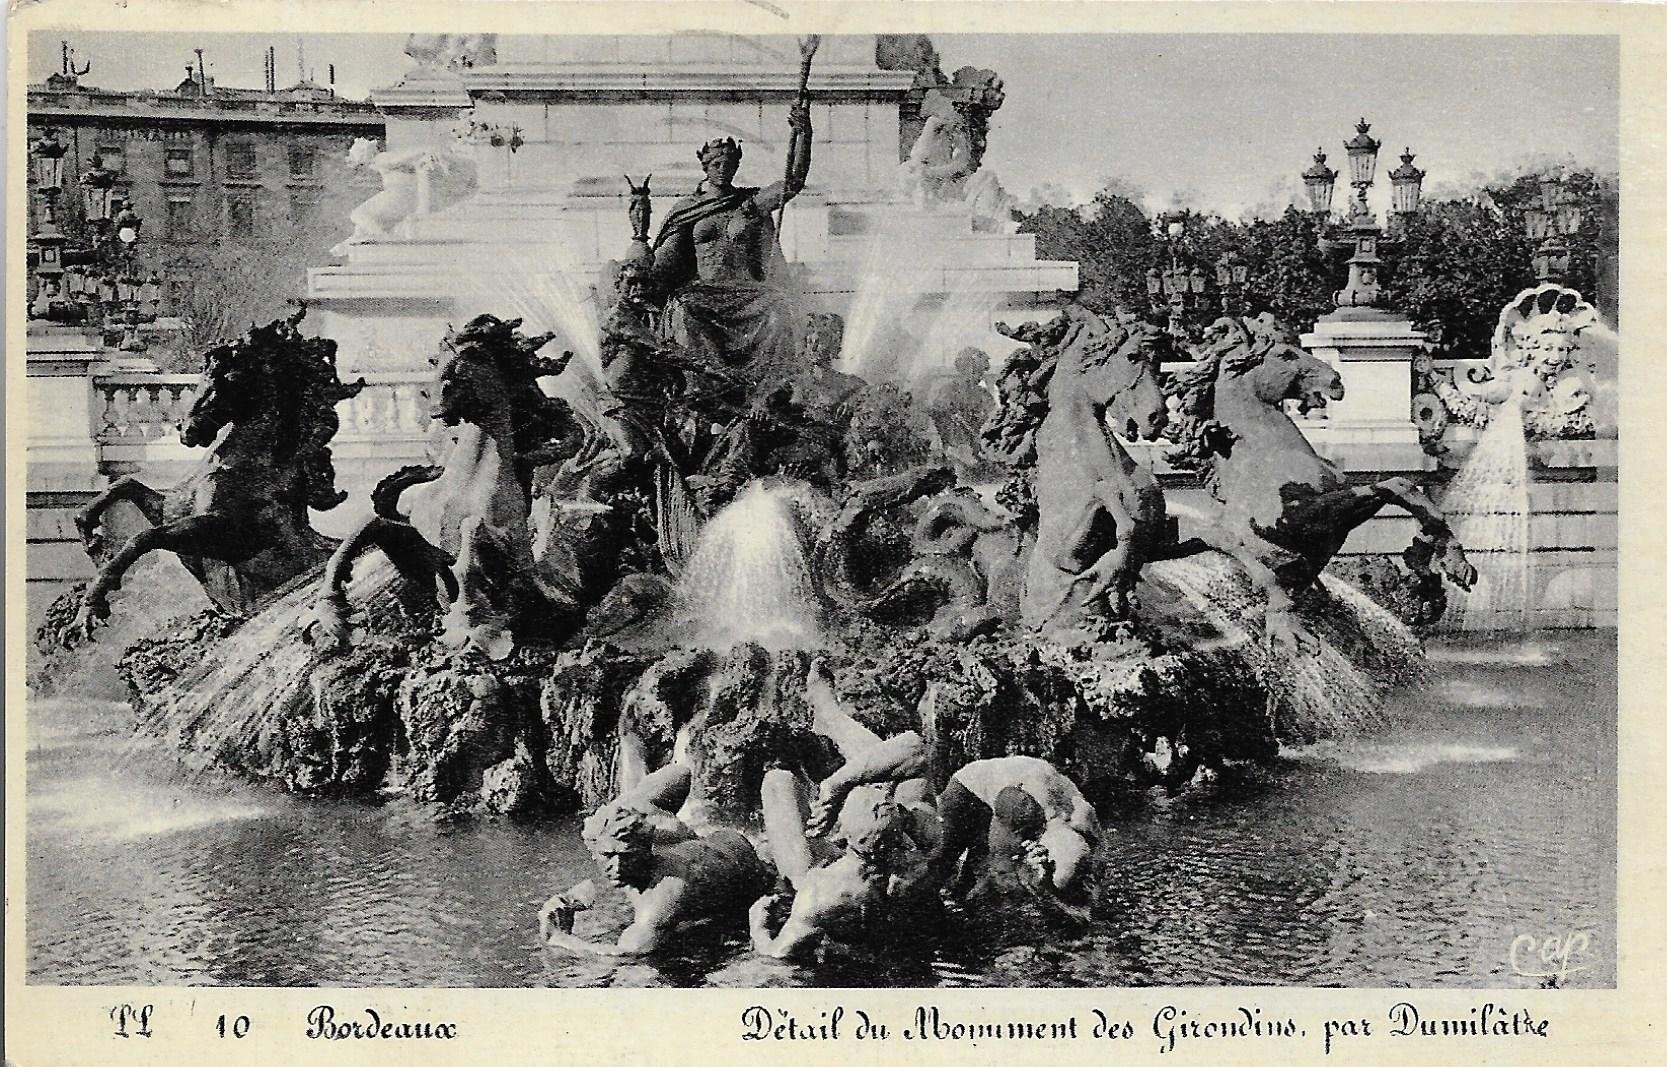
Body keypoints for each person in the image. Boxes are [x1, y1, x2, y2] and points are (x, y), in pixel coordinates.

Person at [748, 661, 941, 959]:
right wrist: (842, 785)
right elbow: (916, 747)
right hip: (885, 893)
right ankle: (829, 716)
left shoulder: (819, 892)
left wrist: (758, 929)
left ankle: (828, 716)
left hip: (834, 887)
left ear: (843, 833)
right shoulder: (923, 860)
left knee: (777, 782)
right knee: (897, 773)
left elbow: (779, 954)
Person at [646, 99, 814, 380]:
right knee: (684, 310)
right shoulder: (688, 208)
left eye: (729, 164)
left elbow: (793, 181)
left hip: (747, 293)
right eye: (716, 164)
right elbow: (667, 260)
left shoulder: (750, 203)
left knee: (778, 309)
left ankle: (772, 387)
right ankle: (696, 388)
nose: (723, 169)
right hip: (705, 293)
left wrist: (804, 134)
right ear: (705, 167)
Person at [538, 765, 771, 956]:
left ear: (645, 851)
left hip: (748, 871)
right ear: (593, 849)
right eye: (608, 856)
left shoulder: (660, 899)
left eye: (627, 858)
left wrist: (561, 938)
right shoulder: (655, 829)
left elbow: (627, 954)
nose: (617, 867)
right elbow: (680, 773)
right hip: (718, 845)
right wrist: (621, 809)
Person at [934, 755, 1102, 908]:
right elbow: (1001, 854)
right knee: (942, 856)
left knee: (980, 873)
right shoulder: (1034, 809)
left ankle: (964, 898)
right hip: (968, 786)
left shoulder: (1084, 818)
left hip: (1013, 790)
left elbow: (1098, 860)